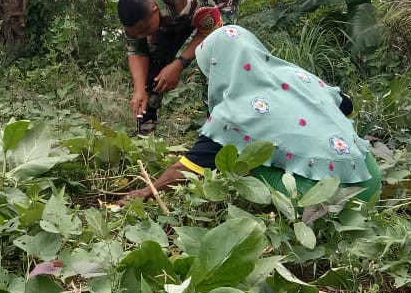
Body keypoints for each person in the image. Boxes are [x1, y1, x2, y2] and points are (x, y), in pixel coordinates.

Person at [123, 12, 381, 202]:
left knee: (245, 157)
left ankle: (305, 201)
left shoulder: (235, 114)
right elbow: (347, 106)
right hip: (371, 180)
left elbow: (186, 168)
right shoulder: (297, 76)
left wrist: (147, 191)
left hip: (333, 198)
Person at [117, 0, 242, 134]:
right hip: (172, 7)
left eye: (144, 29)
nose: (140, 35)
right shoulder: (132, 10)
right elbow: (137, 51)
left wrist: (179, 64)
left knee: (216, 57)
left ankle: (218, 130)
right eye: (136, 32)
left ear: (155, 11)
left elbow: (210, 31)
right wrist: (139, 90)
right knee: (154, 61)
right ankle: (145, 135)